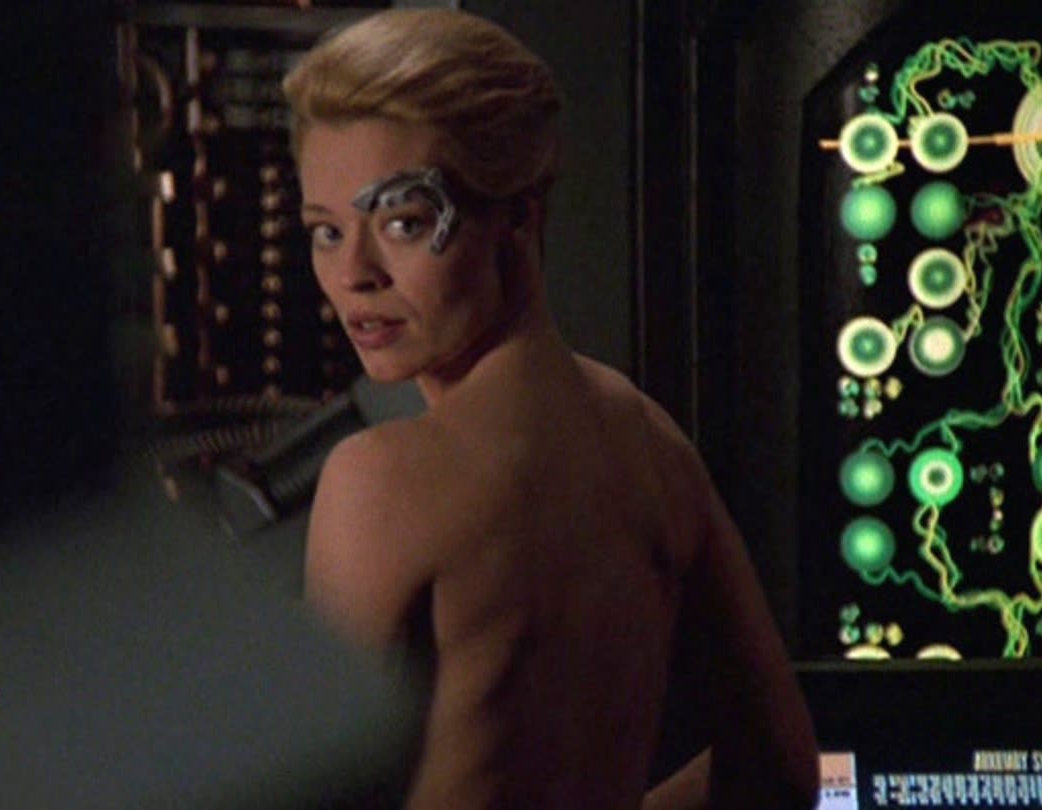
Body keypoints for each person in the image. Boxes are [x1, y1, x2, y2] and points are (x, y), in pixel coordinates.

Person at [284, 9, 818, 808]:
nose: (354, 273)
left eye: (402, 222)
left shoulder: (380, 480)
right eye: (326, 232)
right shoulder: (652, 444)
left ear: (518, 217)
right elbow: (783, 771)